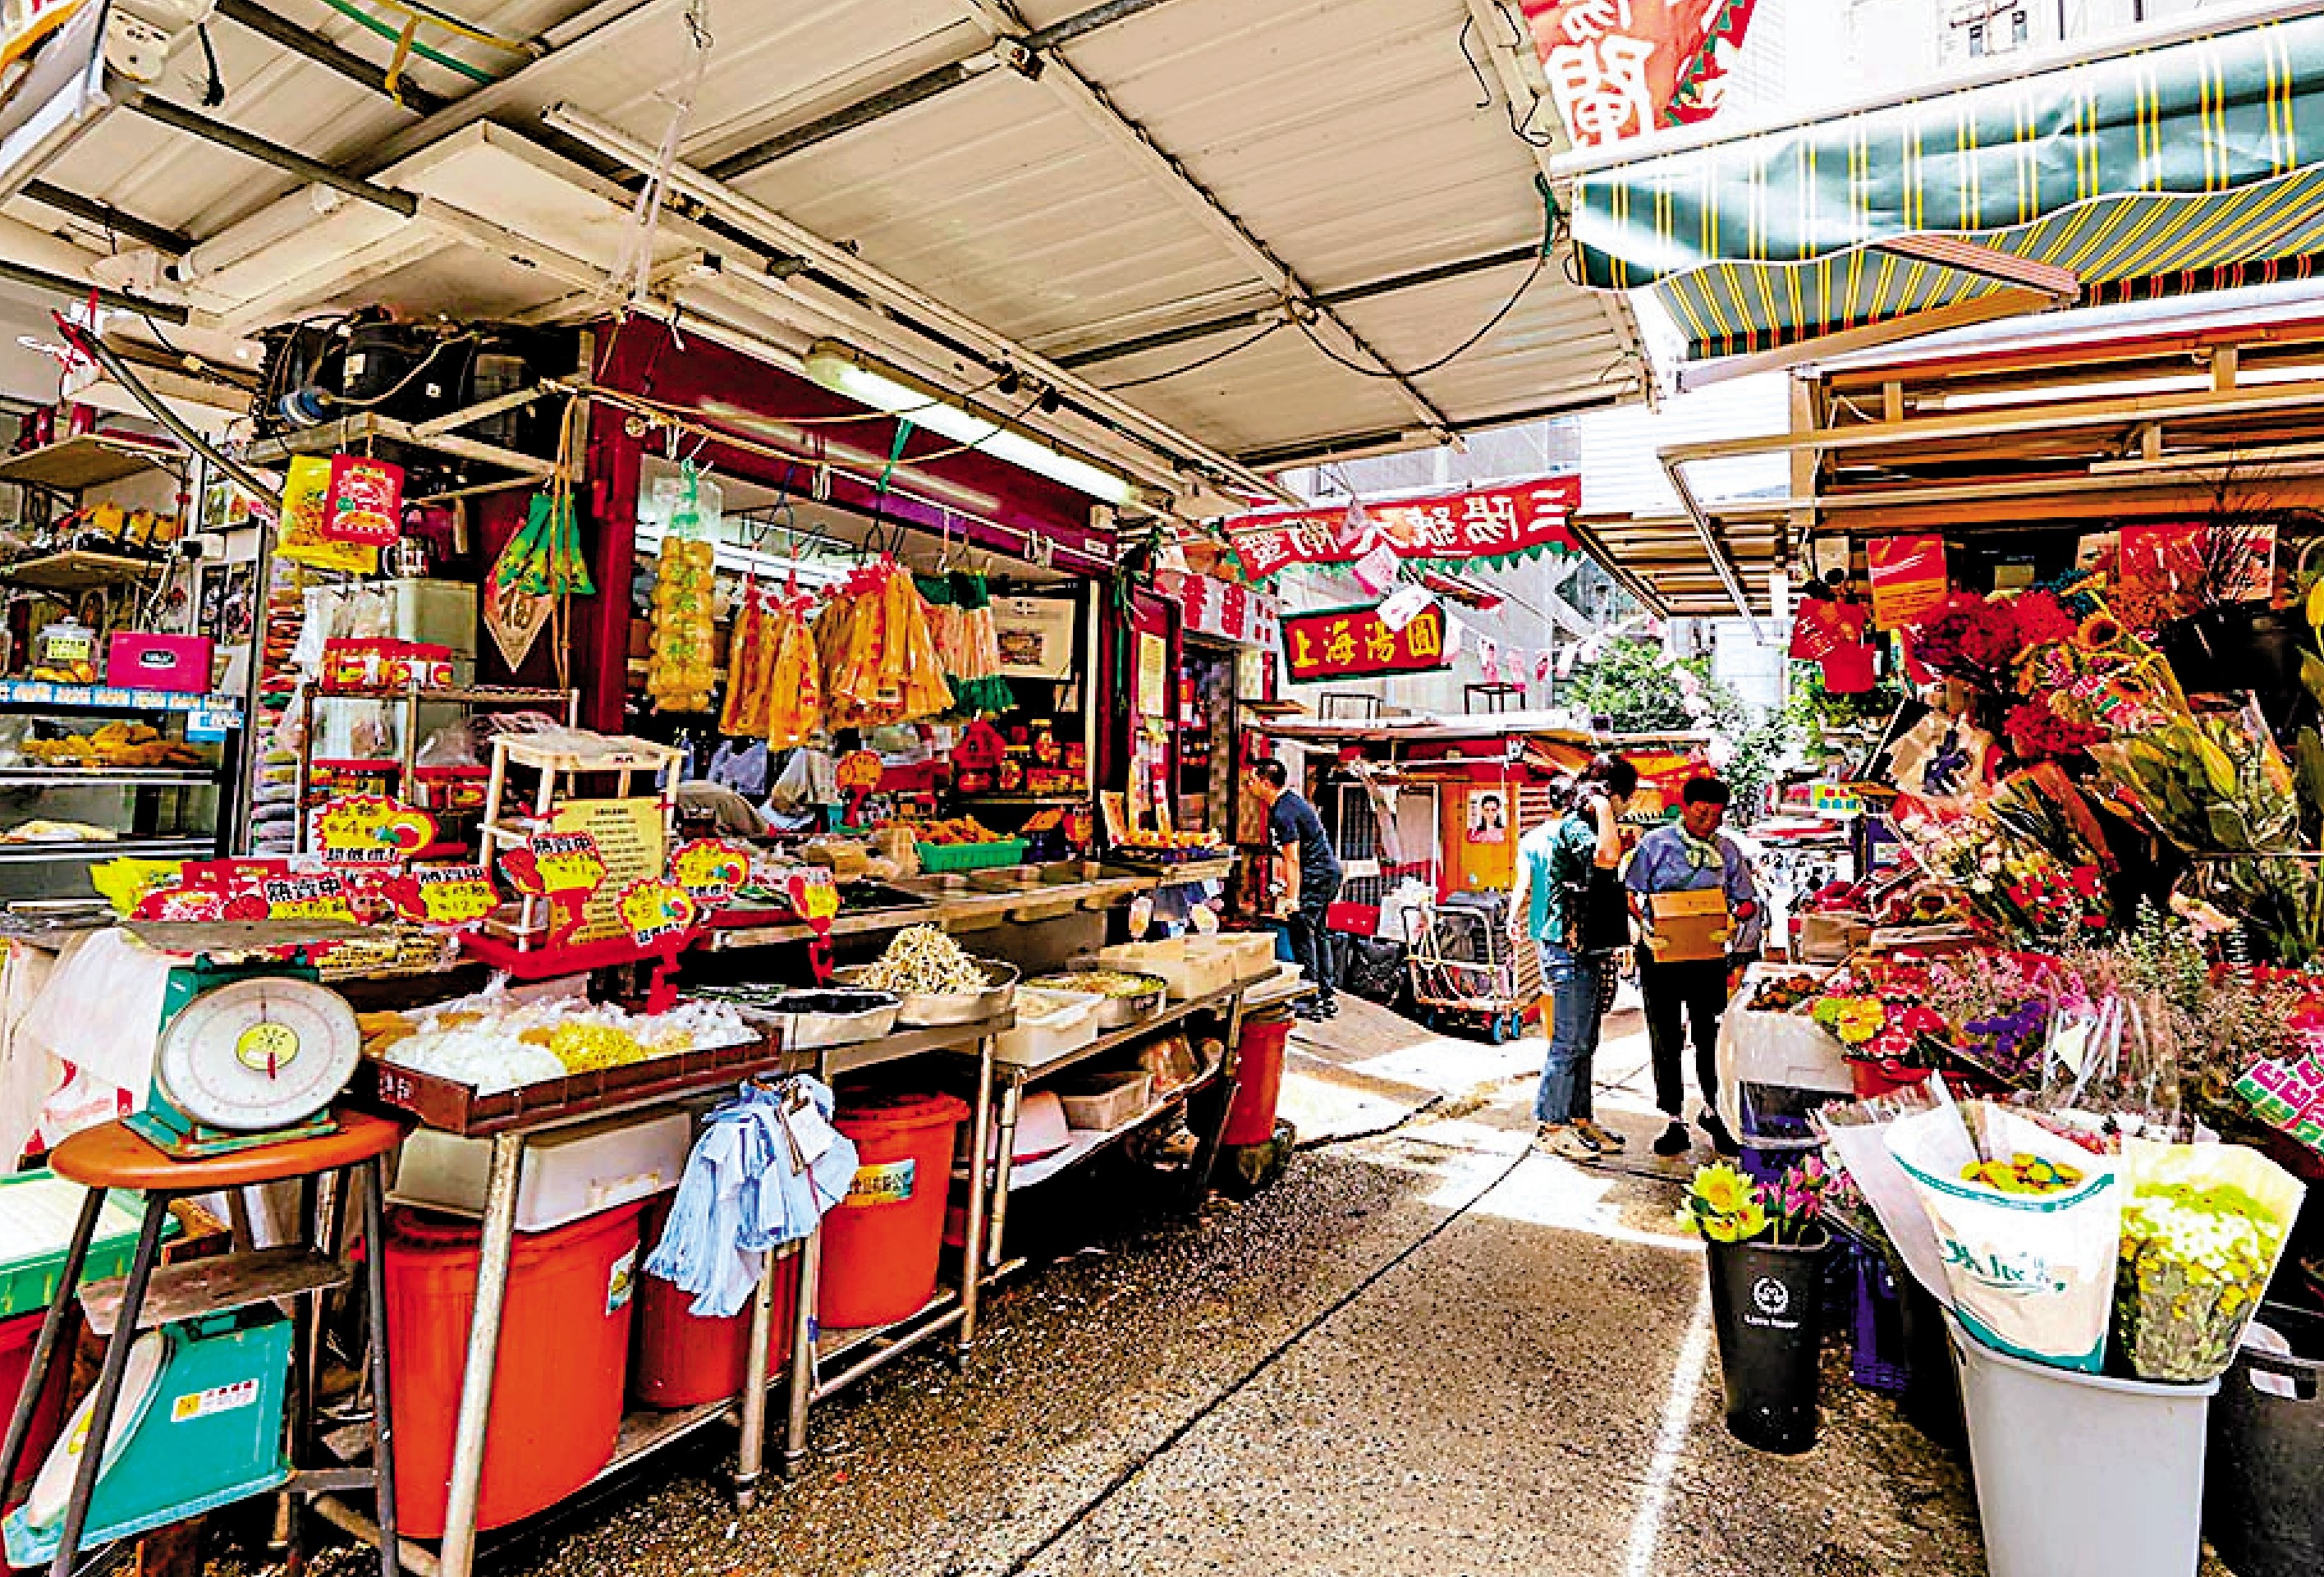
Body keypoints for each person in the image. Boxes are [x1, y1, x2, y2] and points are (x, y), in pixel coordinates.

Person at [1506, 754, 1638, 1160]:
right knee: (1569, 1040)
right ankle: (1551, 1124)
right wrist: (1601, 806)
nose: (1627, 807)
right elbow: (1607, 857)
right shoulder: (1578, 825)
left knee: (1586, 1040)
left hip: (1587, 944)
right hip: (1567, 945)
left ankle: (1579, 1118)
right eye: (1625, 798)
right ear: (1612, 793)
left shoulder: (1591, 825)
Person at [1627, 776, 1763, 1158]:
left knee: (1711, 1038)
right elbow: (1630, 893)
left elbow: (1744, 898)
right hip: (1661, 957)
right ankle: (1673, 1120)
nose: (1708, 823)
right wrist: (1648, 929)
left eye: (1716, 816)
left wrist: (1740, 917)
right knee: (1665, 1038)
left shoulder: (1728, 850)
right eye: (1702, 814)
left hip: (1708, 959)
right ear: (1684, 807)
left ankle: (1714, 1113)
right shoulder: (1655, 845)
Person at [1246, 759, 1342, 1020]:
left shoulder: (1283, 812)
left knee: (1302, 931)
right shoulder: (1291, 802)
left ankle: (1308, 998)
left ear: (1266, 783)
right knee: (1319, 933)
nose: (1249, 785)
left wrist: (1291, 898)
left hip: (1317, 875)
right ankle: (1326, 995)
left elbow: (1293, 859)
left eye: (1252, 780)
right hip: (1328, 873)